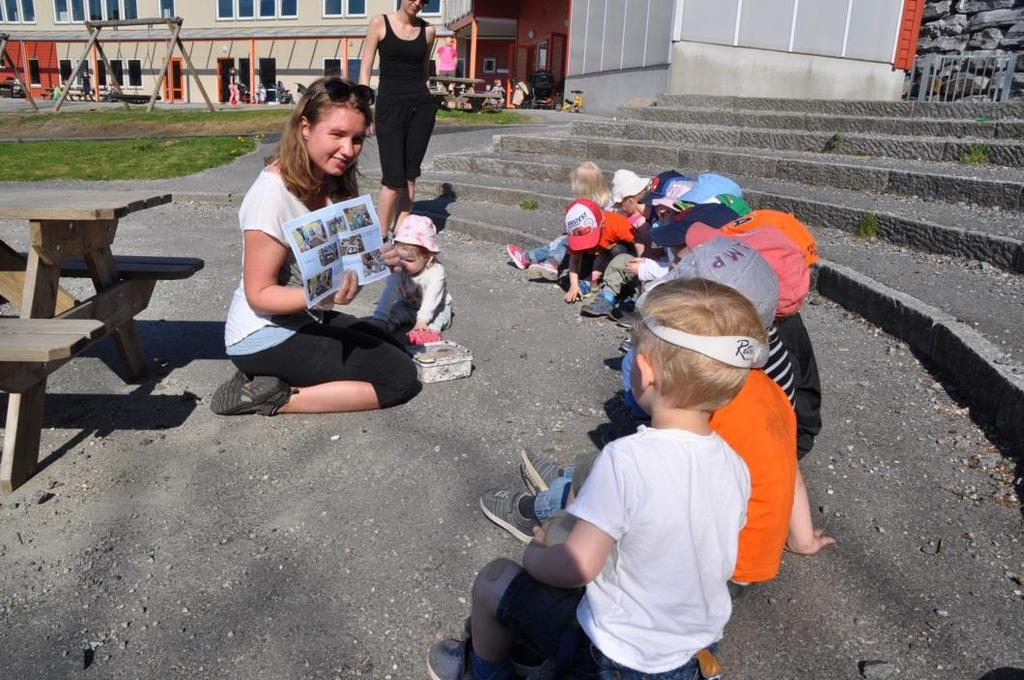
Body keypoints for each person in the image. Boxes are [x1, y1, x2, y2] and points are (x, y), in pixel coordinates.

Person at [428, 277, 759, 680]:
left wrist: (536, 552)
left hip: (618, 657)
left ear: (643, 371)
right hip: (693, 650)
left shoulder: (627, 459)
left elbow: (577, 567)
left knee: (494, 580)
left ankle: (483, 672)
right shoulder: (736, 465)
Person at [211, 77, 421, 417]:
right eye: (337, 135)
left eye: (356, 139)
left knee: (392, 345)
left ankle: (269, 378)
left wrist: (380, 257)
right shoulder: (271, 196)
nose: (348, 150)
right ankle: (271, 397)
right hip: (261, 334)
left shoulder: (328, 179)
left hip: (302, 319)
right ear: (305, 127)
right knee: (400, 379)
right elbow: (260, 294)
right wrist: (326, 295)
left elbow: (341, 258)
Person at [360, 0, 437, 238]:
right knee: (393, 180)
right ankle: (381, 238)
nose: (418, 3)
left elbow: (424, 71)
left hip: (420, 108)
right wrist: (365, 108)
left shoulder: (428, 31)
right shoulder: (379, 23)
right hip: (389, 107)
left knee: (409, 177)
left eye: (423, 1)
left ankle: (400, 233)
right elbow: (365, 68)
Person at [505, 160, 611, 281]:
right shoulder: (608, 199)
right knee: (560, 241)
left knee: (563, 241)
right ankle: (526, 258)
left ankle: (551, 263)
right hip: (600, 239)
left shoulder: (587, 204)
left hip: (595, 243)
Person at [371, 214, 453, 344]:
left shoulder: (436, 271)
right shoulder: (399, 268)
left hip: (437, 307)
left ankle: (427, 335)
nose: (402, 263)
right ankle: (383, 329)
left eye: (409, 260)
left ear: (428, 256)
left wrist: (422, 321)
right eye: (399, 257)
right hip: (407, 306)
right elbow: (389, 292)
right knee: (392, 313)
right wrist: (379, 317)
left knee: (436, 321)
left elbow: (432, 297)